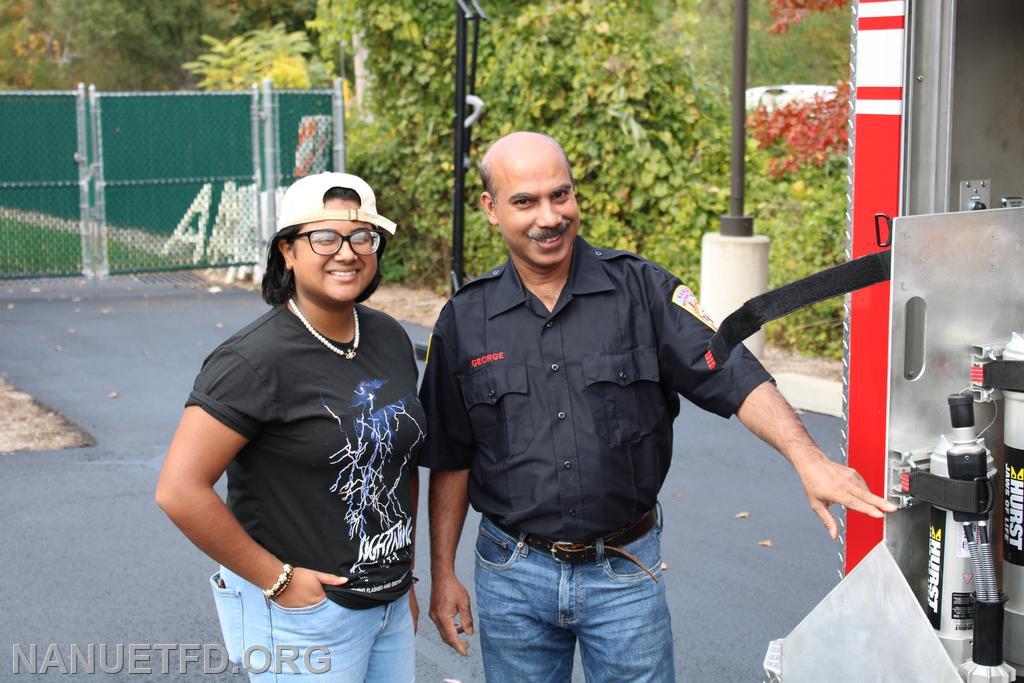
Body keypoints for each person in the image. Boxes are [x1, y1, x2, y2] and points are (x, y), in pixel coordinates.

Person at [417, 132, 896, 682]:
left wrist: (806, 457)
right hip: (512, 574)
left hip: (622, 570)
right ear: (491, 209)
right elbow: (452, 457)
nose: (549, 217)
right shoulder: (464, 320)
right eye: (525, 201)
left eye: (561, 195)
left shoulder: (642, 291)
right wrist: (443, 574)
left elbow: (731, 372)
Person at [156, 172, 423, 682]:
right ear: (287, 251)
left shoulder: (389, 337)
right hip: (306, 617)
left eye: (362, 236)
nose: (346, 252)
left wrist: (404, 579)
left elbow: (400, 463)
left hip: (386, 603)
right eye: (323, 237)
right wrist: (280, 581)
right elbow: (179, 490)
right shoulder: (253, 359)